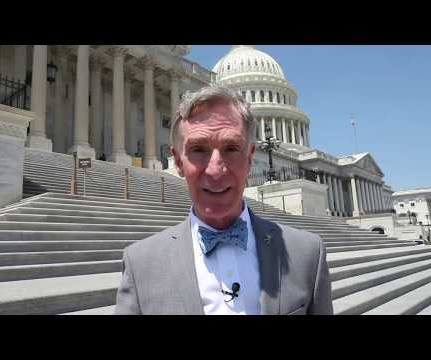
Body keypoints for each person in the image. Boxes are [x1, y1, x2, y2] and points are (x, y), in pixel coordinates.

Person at [114, 85, 333, 315]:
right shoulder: (140, 264)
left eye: (231, 148)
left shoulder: (308, 254)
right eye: (199, 149)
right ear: (178, 162)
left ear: (250, 158)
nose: (215, 170)